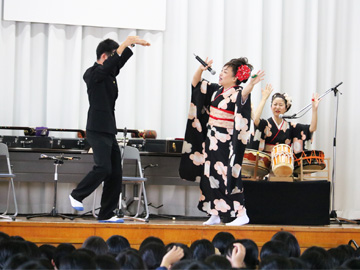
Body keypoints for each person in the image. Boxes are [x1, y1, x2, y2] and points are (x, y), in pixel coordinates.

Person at [69, 36, 150, 222]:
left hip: (108, 129)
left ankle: (106, 214)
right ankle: (76, 195)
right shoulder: (92, 73)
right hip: (96, 128)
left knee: (115, 172)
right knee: (103, 168)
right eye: (113, 56)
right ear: (104, 56)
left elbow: (117, 63)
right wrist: (125, 43)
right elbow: (108, 67)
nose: (115, 62)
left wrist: (131, 44)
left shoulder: (109, 75)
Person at [179, 57, 264, 226]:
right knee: (210, 174)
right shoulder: (216, 90)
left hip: (226, 141)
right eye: (222, 71)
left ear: (234, 78)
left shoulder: (238, 91)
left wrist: (252, 84)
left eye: (226, 72)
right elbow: (196, 84)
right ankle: (215, 212)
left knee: (228, 173)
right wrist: (201, 69)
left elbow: (244, 94)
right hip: (211, 138)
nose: (221, 74)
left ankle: (241, 213)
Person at [250, 84, 319, 155]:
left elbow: (312, 128)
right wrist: (264, 98)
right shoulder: (266, 124)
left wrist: (314, 109)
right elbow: (256, 120)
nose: (277, 107)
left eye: (280, 105)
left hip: (285, 161)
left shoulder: (291, 127)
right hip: (267, 161)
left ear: (286, 108)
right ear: (271, 107)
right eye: (275, 104)